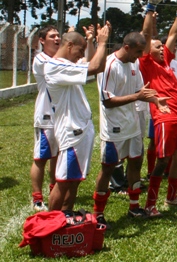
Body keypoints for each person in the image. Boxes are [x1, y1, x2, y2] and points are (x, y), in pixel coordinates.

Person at [93, 32, 169, 222]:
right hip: (114, 127)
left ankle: (134, 207)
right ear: (126, 47)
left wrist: (156, 100)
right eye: (137, 51)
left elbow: (139, 91)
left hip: (133, 125)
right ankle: (98, 213)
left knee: (136, 162)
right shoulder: (109, 65)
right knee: (108, 168)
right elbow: (107, 101)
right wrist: (138, 97)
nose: (139, 56)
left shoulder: (134, 64)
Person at [139, 0, 177, 217]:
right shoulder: (146, 63)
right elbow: (147, 35)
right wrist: (150, 7)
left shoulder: (165, 59)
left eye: (162, 47)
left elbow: (173, 34)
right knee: (162, 160)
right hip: (164, 116)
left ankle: (171, 197)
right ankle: (150, 204)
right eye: (158, 47)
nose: (163, 49)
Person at [45, 22, 111, 211]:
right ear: (69, 46)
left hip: (80, 130)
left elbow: (94, 62)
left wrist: (92, 42)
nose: (81, 54)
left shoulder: (67, 64)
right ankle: (51, 224)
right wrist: (103, 42)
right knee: (64, 181)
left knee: (74, 179)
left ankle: (66, 216)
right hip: (71, 130)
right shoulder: (55, 66)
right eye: (79, 50)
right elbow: (96, 66)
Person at [30, 26, 60, 212]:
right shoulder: (40, 58)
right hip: (46, 116)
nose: (57, 39)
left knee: (56, 156)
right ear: (42, 40)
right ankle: (37, 198)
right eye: (52, 36)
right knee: (41, 158)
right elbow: (58, 66)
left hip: (61, 116)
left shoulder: (59, 58)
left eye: (59, 36)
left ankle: (53, 190)